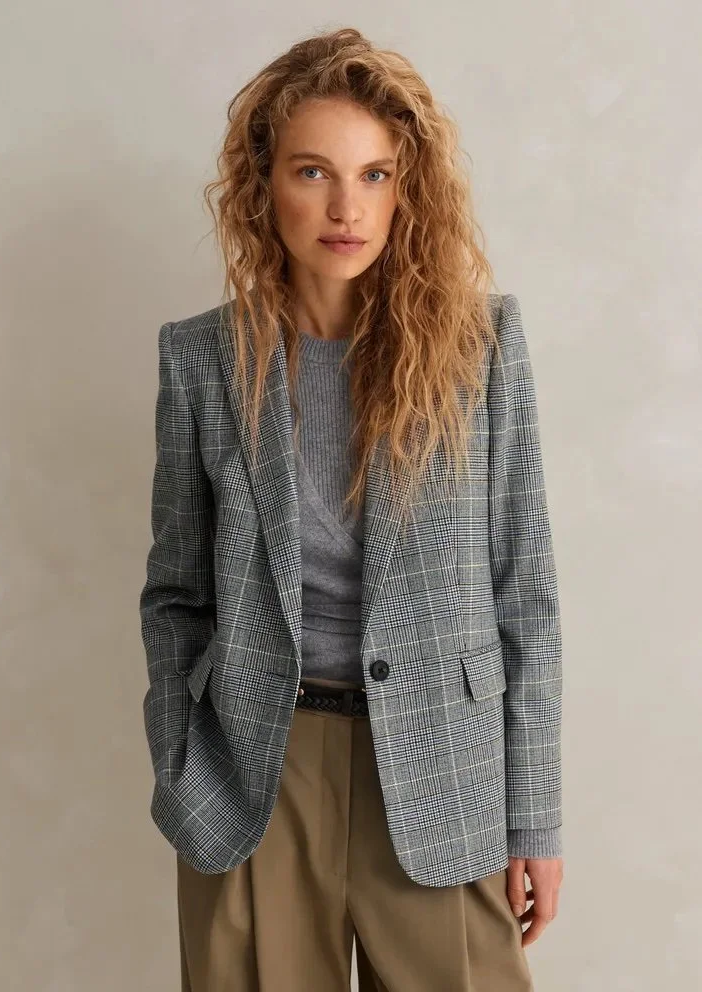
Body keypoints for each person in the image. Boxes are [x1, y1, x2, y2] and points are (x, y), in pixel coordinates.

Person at [139, 26, 564, 991]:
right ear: (263, 185)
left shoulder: (481, 346)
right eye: (314, 173)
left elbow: (525, 593)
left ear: (407, 190)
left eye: (375, 175)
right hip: (256, 774)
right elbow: (176, 596)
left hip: (444, 771)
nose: (346, 207)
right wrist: (182, 764)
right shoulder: (202, 360)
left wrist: (534, 816)